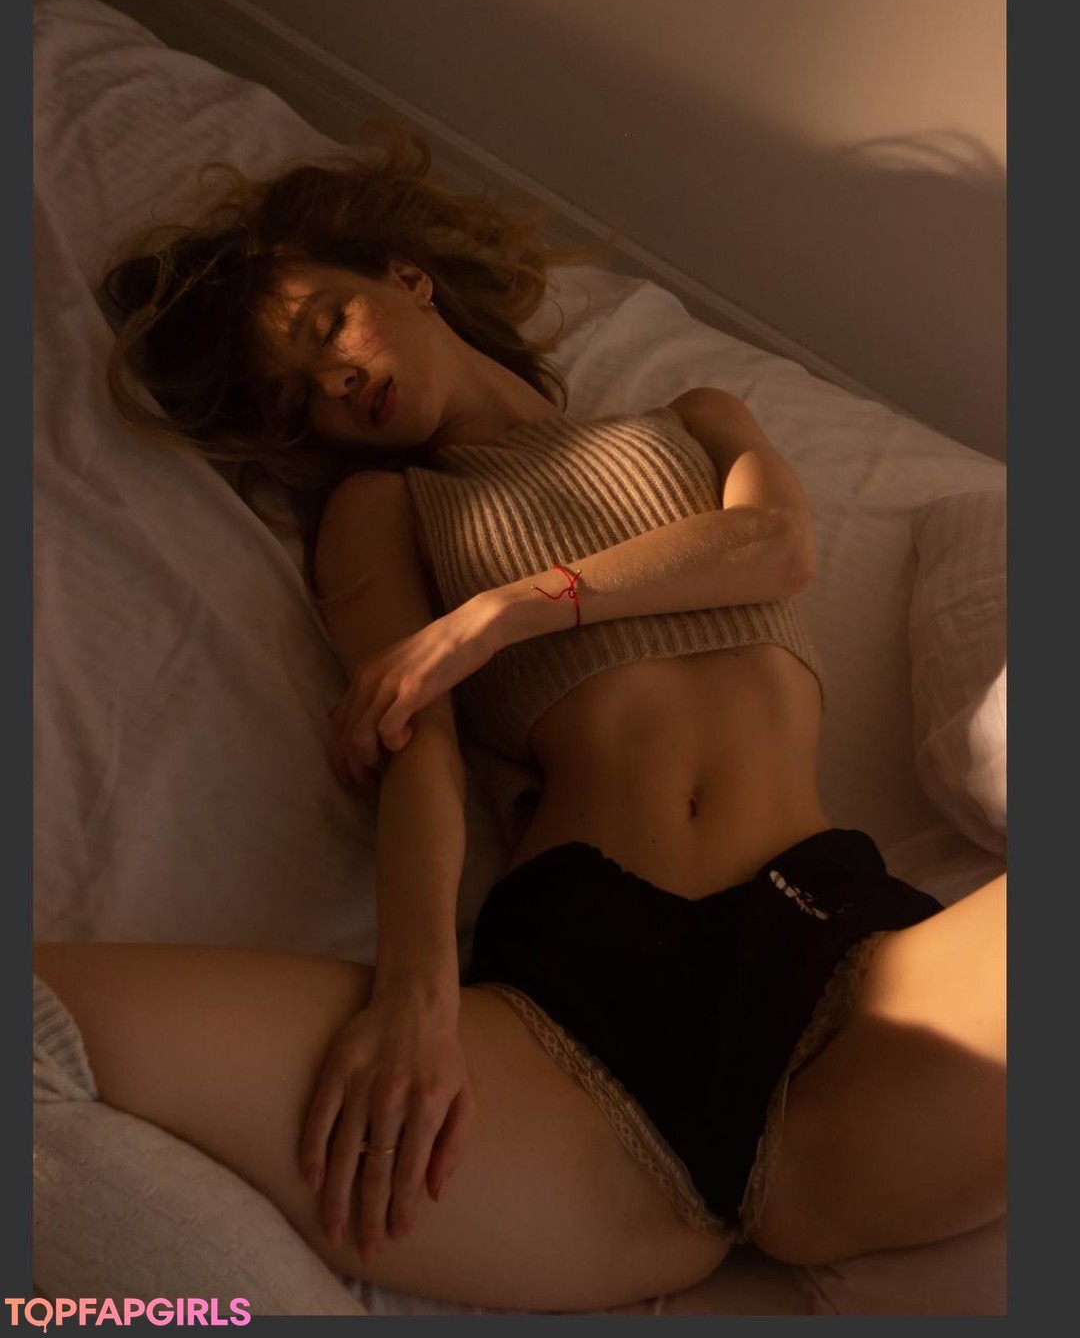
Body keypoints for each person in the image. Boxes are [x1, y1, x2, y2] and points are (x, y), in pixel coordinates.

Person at [34, 123, 1005, 1313]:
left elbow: (774, 545)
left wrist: (504, 613)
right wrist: (415, 997)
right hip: (580, 1020)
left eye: (326, 327)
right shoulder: (384, 509)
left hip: (852, 980)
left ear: (406, 277)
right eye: (296, 397)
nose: (333, 382)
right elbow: (418, 756)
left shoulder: (694, 419)